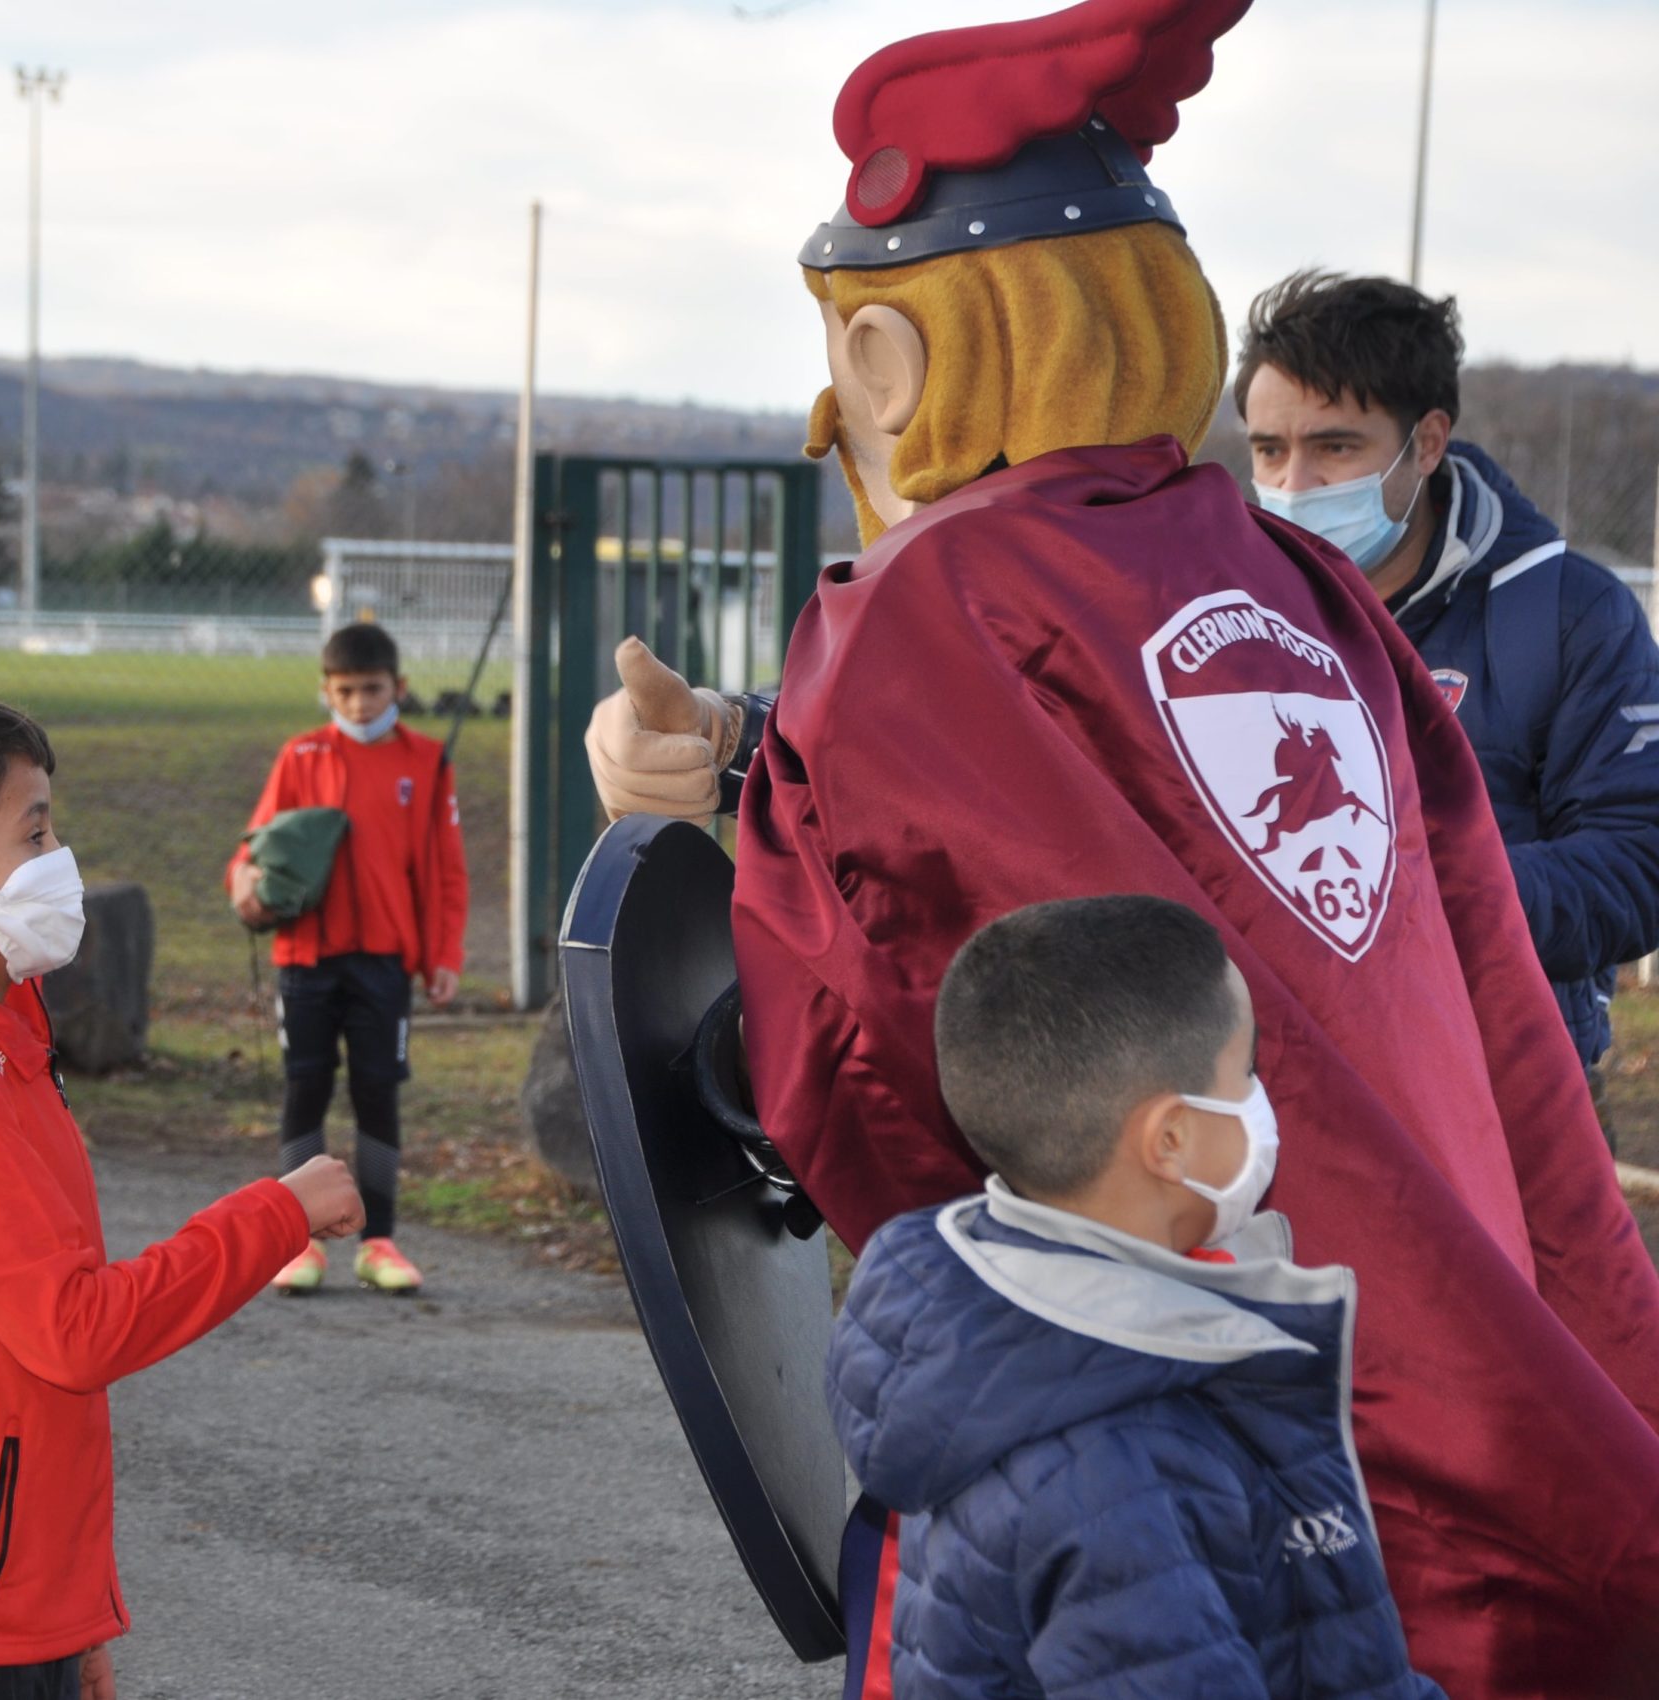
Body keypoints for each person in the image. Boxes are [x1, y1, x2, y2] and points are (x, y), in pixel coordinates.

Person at [580, 1, 1659, 1689]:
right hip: (1431, 1362)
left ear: (895, 355)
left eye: (849, 343)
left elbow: (867, 1047)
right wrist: (745, 762)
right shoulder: (1292, 578)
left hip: (1152, 1378)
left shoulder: (928, 598)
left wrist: (724, 976)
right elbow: (1485, 983)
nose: (832, 408)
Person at [0, 684, 365, 1700]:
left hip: (1, 1614)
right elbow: (77, 1329)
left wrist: (70, 1619)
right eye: (33, 829)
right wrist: (280, 1212)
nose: (60, 858)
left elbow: (19, 1391)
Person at [832, 895, 1442, 1699]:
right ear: (1170, 1140)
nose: (1262, 1098)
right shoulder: (1116, 1472)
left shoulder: (1013, 1334)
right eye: (1247, 1071)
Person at [1238, 270, 1659, 1095]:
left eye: (1334, 447)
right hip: (1282, 1088)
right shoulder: (1225, 616)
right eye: (1268, 450)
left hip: (1502, 1094)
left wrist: (1432, 901)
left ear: (1426, 443)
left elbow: (1638, 857)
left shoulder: (1568, 612)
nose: (1293, 485)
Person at [228, 622, 468, 1296]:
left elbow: (445, 872)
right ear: (325, 692)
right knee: (305, 1087)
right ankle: (297, 1241)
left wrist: (442, 953)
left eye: (372, 690)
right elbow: (255, 848)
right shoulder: (301, 755)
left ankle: (380, 1241)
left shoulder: (427, 762)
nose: (360, 704)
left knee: (376, 1094)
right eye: (346, 692)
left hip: (384, 964)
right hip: (306, 957)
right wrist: (243, 887)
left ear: (399, 688)